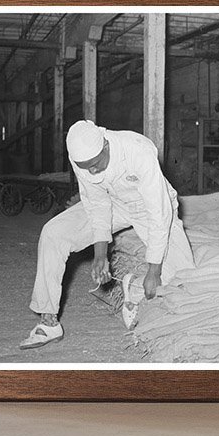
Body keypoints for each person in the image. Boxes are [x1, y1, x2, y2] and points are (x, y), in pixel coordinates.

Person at [19, 120, 196, 349]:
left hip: (148, 207)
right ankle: (49, 320)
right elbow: (97, 205)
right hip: (113, 203)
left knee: (184, 277)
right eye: (85, 167)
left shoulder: (138, 150)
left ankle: (134, 288)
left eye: (95, 164)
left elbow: (159, 214)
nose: (91, 171)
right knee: (53, 233)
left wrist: (154, 270)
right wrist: (100, 255)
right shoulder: (81, 157)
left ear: (105, 146)